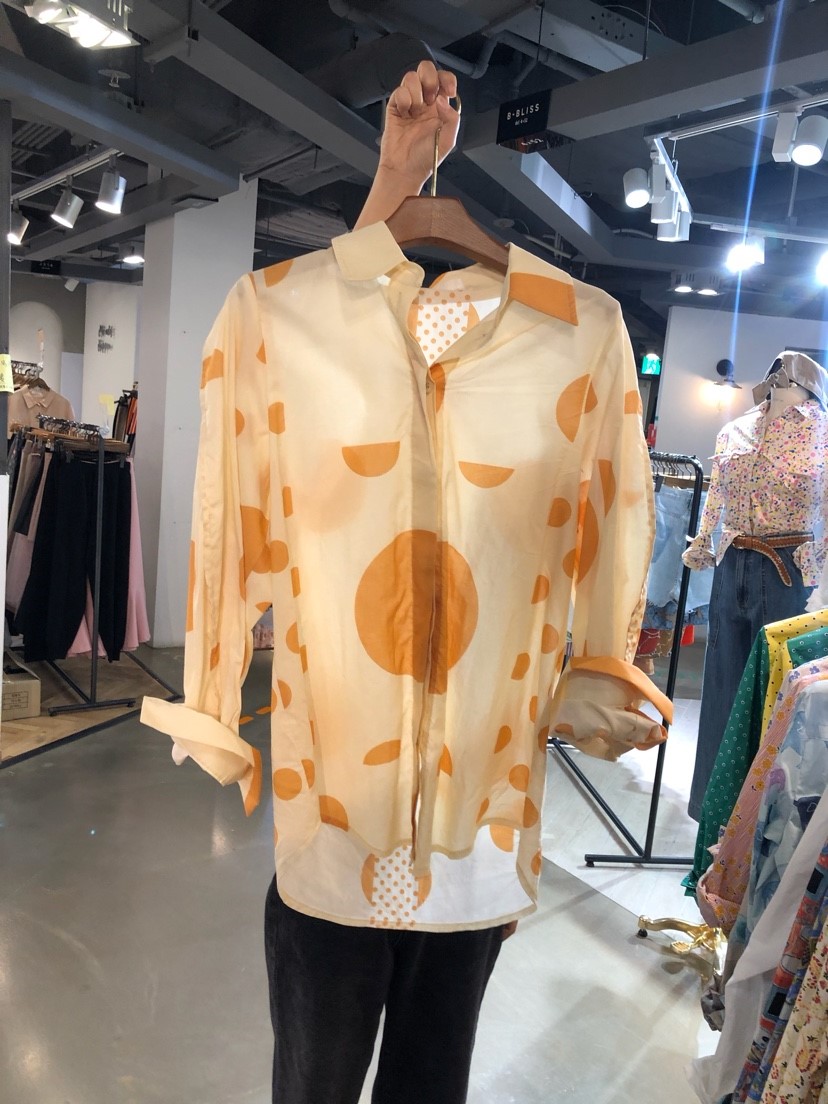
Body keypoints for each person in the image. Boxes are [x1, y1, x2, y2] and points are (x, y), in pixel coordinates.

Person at [263, 60, 519, 1104]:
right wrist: (395, 181)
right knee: (316, 1083)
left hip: (472, 837)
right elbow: (315, 326)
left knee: (430, 1084)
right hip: (336, 823)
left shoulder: (564, 351)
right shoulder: (311, 356)